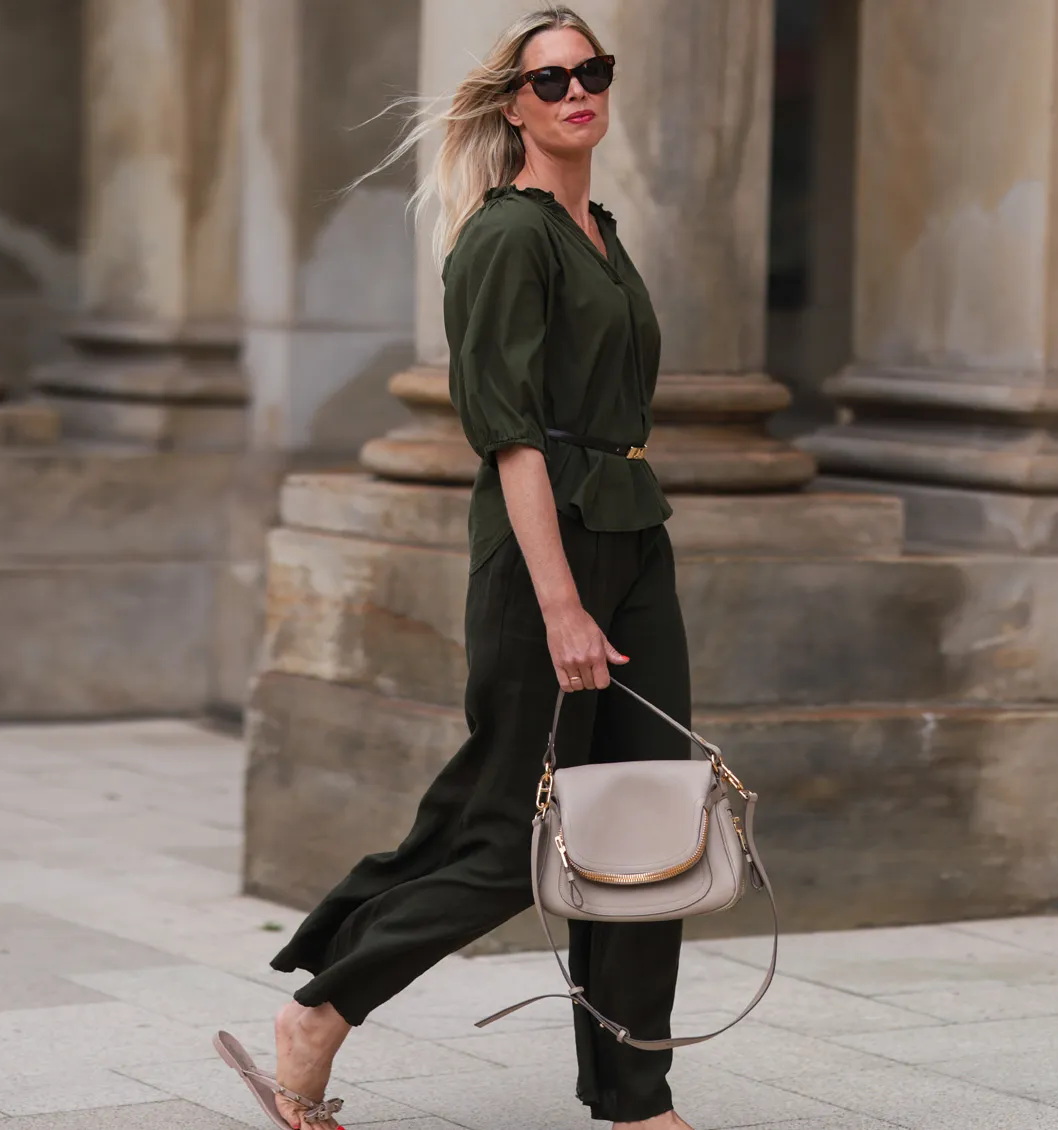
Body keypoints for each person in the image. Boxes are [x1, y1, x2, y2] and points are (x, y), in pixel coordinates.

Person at [218, 7, 696, 1127]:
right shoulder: (504, 236)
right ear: (512, 104)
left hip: (634, 532)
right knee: (501, 838)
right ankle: (324, 1008)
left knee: (641, 820)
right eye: (550, 78)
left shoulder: (599, 229)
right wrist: (561, 602)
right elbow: (510, 435)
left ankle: (635, 1096)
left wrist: (614, 570)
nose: (577, 90)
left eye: (592, 71)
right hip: (549, 553)